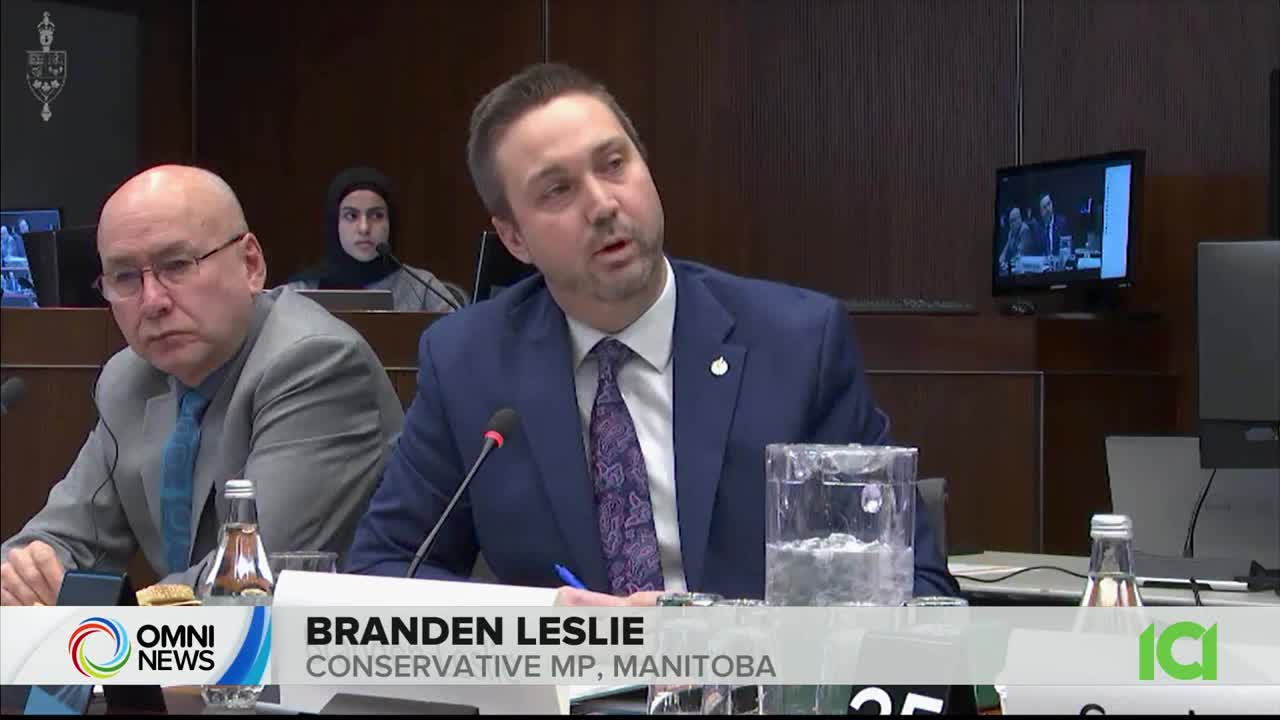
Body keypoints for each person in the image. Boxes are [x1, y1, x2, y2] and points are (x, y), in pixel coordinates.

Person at [346, 63, 957, 605]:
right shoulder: (469, 363)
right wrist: (548, 623)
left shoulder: (797, 344)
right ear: (513, 238)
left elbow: (915, 589)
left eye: (614, 165)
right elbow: (382, 571)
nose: (602, 205)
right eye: (557, 190)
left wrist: (729, 641)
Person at [0, 165, 405, 606]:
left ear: (251, 264)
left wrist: (112, 614)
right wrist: (21, 577)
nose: (152, 301)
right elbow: (60, 540)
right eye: (125, 276)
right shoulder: (128, 378)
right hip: (188, 644)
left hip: (328, 644)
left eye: (177, 265)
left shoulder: (317, 364)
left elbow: (245, 580)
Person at [282, 167, 463, 312]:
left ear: (391, 222)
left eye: (376, 215)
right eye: (351, 216)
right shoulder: (302, 291)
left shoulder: (422, 288)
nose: (364, 228)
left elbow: (461, 337)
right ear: (335, 223)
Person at [998, 207, 1032, 273]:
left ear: (1020, 219)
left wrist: (1007, 264)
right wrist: (1000, 261)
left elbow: (1020, 255)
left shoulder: (1025, 230)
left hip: (1027, 269)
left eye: (1013, 220)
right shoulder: (1011, 232)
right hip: (1015, 267)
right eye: (1010, 222)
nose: (1011, 225)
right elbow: (1005, 250)